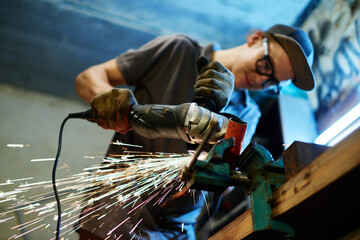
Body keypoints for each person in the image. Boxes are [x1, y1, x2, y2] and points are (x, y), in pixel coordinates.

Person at [74, 24, 315, 239]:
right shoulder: (179, 51)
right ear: (255, 38)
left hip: (178, 228)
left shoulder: (249, 114)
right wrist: (107, 98)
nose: (261, 81)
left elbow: (225, 179)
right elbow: (87, 78)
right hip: (122, 203)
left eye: (272, 84)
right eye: (265, 65)